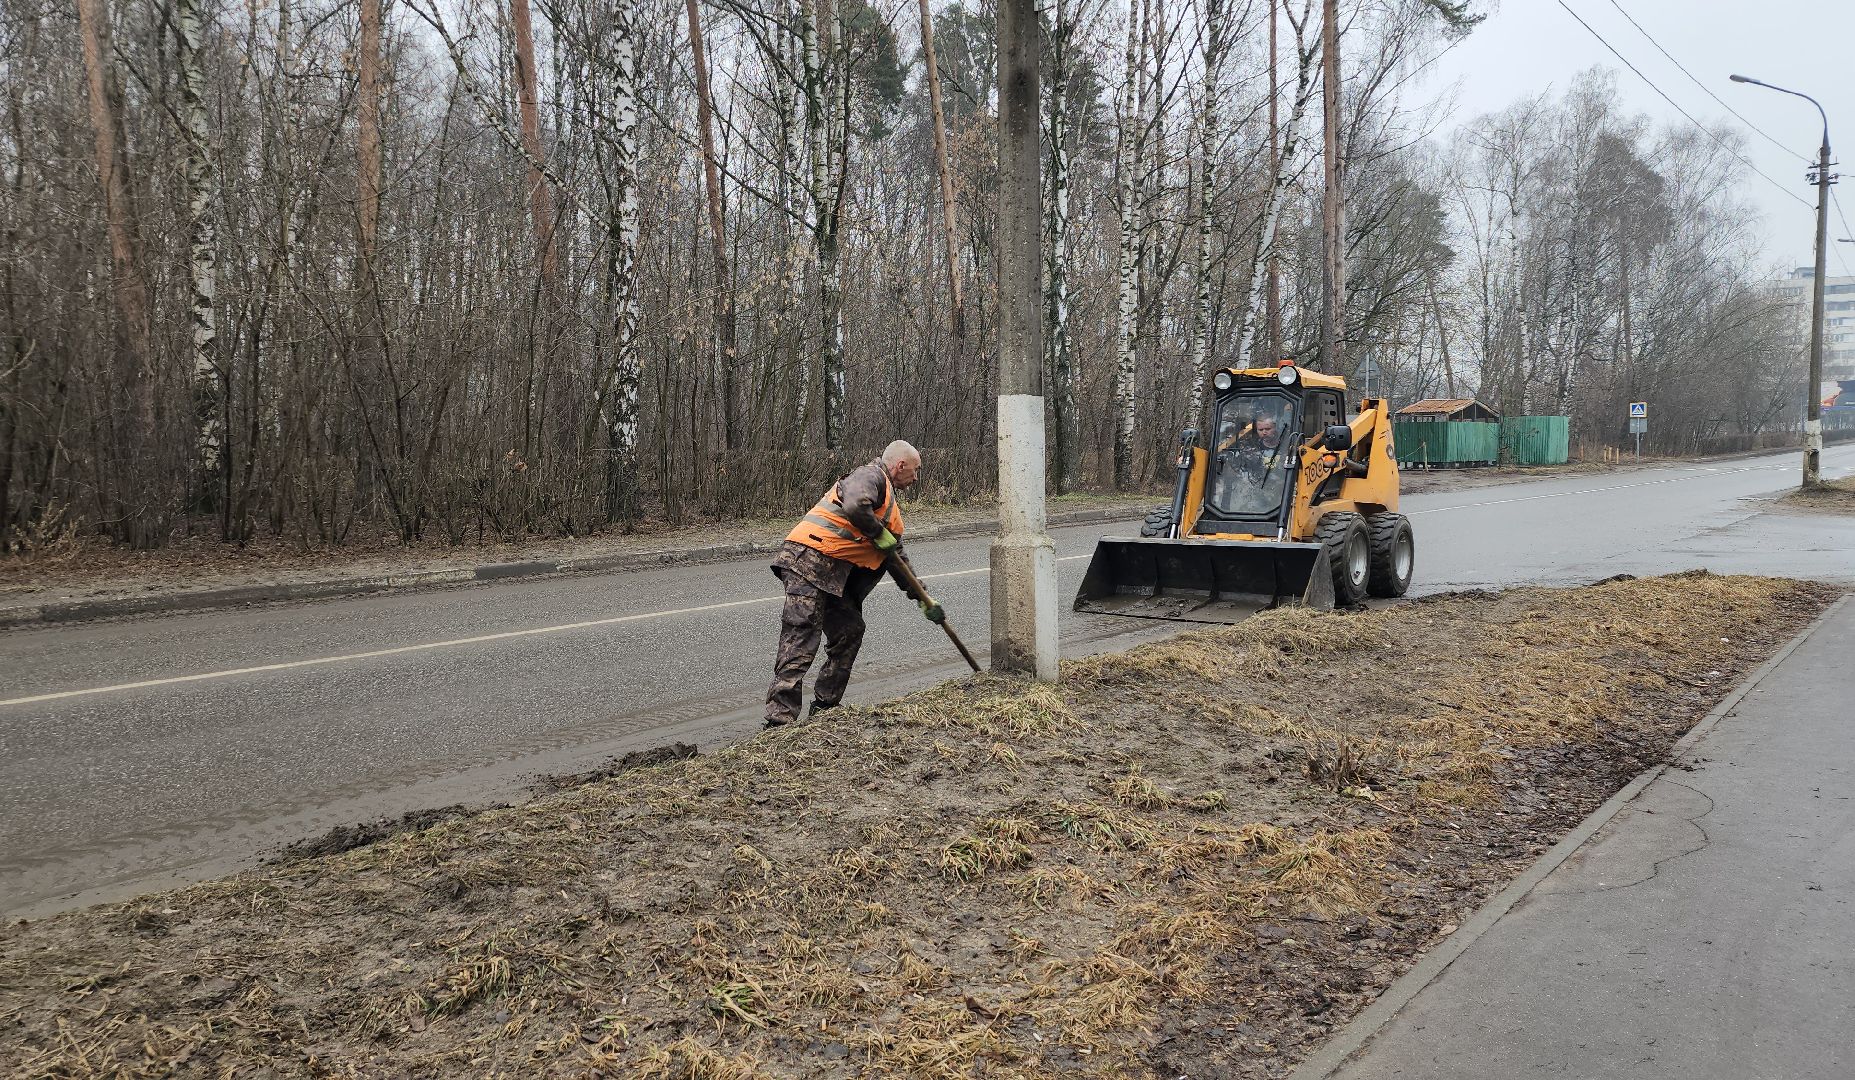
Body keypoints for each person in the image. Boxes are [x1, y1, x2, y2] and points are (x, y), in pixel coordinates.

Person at [764, 440, 943, 727]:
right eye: (916, 470)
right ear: (901, 465)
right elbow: (856, 504)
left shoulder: (887, 504)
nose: (916, 478)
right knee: (802, 635)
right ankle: (778, 720)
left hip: (831, 574)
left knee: (849, 629)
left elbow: (896, 559)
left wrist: (923, 598)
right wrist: (877, 533)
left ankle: (825, 706)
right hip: (808, 561)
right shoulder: (871, 475)